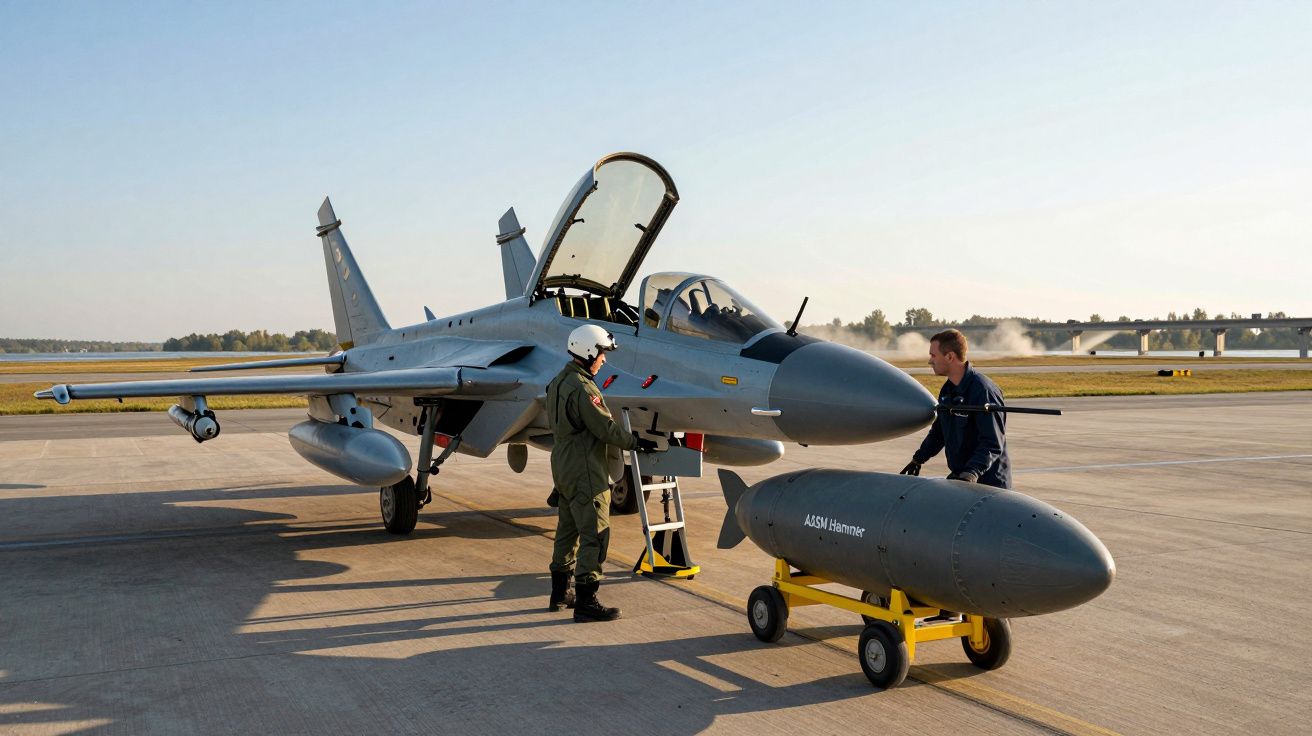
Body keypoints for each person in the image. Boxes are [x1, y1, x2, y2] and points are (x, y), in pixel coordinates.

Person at [545, 324, 657, 622]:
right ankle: (586, 602)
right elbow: (604, 428)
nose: (604, 360)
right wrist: (636, 442)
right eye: (602, 353)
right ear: (589, 352)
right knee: (595, 535)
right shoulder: (584, 388)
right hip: (585, 470)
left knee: (566, 533)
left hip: (563, 466)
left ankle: (559, 595)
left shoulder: (559, 381)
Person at [900, 328, 1012, 489]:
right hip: (962, 477)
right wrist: (918, 459)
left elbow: (992, 443)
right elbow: (939, 432)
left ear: (950, 356)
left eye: (933, 355)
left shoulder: (983, 391)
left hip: (988, 482)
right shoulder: (948, 390)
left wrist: (971, 473)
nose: (930, 361)